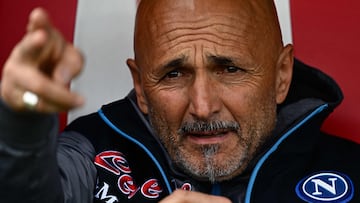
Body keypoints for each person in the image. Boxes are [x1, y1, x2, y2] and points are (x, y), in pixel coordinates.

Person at [0, 0, 359, 202]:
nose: (202, 107)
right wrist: (21, 133)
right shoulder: (90, 151)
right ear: (140, 86)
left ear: (282, 75)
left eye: (229, 69)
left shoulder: (351, 170)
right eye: (173, 74)